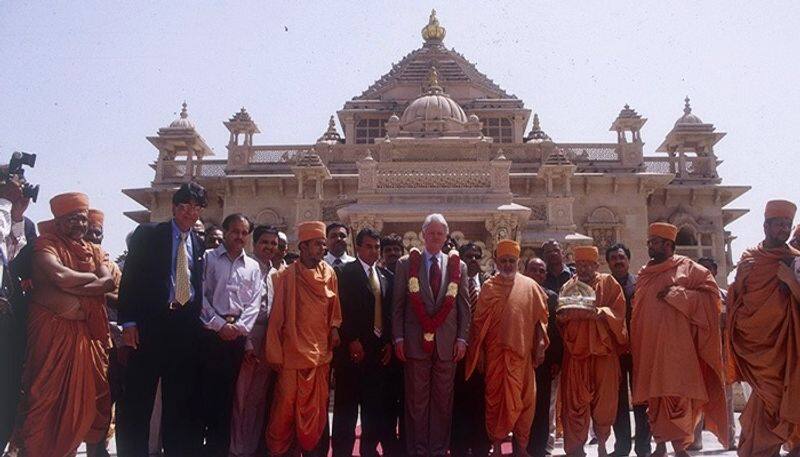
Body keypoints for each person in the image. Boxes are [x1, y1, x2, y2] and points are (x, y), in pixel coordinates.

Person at [14, 192, 115, 457]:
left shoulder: (94, 250)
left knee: (81, 405)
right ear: (57, 221)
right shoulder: (45, 245)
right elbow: (59, 275)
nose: (80, 225)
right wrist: (91, 285)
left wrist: (74, 288)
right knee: (44, 399)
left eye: (82, 219)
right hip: (50, 339)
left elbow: (109, 282)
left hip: (83, 339)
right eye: (72, 219)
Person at [116, 182, 208, 456]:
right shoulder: (149, 234)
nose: (190, 212)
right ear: (174, 207)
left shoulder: (198, 242)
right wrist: (129, 322)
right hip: (150, 326)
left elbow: (195, 285)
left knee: (178, 400)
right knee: (138, 397)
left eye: (196, 207)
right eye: (185, 206)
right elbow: (130, 279)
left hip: (183, 329)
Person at [632, 223, 728, 457]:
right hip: (651, 349)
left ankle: (679, 447)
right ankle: (661, 445)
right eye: (649, 242)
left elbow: (712, 300)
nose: (650, 247)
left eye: (654, 242)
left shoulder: (689, 269)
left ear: (668, 245)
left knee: (678, 396)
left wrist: (679, 295)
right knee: (655, 399)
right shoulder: (645, 274)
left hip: (679, 350)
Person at [391, 213, 470, 457]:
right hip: (415, 344)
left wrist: (462, 339)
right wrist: (399, 338)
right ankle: (417, 449)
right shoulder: (406, 264)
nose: (435, 237)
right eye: (431, 232)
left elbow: (463, 307)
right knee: (416, 401)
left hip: (447, 346)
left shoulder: (458, 265)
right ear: (423, 234)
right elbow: (398, 306)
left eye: (440, 233)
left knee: (442, 402)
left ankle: (437, 449)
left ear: (446, 236)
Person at [728, 200, 800, 457]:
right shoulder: (749, 258)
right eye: (779, 224)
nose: (783, 228)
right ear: (765, 226)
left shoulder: (795, 261)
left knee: (783, 399)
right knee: (763, 397)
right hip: (754, 347)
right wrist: (741, 281)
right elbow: (735, 299)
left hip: (785, 348)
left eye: (787, 225)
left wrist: (791, 282)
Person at [265, 220, 342, 456]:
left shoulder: (329, 273)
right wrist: (275, 353)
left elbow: (334, 311)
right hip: (291, 355)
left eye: (323, 244)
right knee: (285, 409)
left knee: (316, 411)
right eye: (317, 244)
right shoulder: (286, 276)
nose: (323, 248)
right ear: (303, 246)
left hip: (320, 356)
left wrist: (335, 329)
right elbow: (277, 318)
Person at [465, 240, 549, 456]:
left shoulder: (530, 287)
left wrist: (540, 343)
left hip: (522, 357)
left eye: (512, 261)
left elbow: (541, 319)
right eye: (503, 261)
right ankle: (496, 447)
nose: (508, 265)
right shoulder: (489, 287)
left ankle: (521, 448)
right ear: (495, 262)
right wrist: (480, 352)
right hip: (495, 357)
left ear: (518, 262)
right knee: (495, 403)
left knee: (524, 404)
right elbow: (478, 324)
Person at [197, 213, 263, 456]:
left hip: (236, 339)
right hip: (210, 337)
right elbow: (200, 295)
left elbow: (254, 303)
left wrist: (238, 328)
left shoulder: (253, 267)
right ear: (225, 232)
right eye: (235, 231)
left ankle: (219, 450)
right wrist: (218, 324)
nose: (239, 237)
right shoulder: (208, 259)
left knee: (228, 400)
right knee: (205, 395)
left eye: (244, 233)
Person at [332, 228, 396, 457]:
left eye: (377, 247)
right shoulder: (343, 272)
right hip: (351, 355)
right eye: (368, 246)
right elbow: (340, 310)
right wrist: (351, 340)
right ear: (357, 247)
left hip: (377, 356)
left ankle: (368, 451)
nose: (374, 251)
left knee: (373, 411)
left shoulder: (386, 276)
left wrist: (388, 342)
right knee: (346, 412)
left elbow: (389, 314)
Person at [557, 246, 627, 457]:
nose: (584, 269)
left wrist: (601, 313)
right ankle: (576, 448)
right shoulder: (569, 286)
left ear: (597, 265)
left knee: (605, 403)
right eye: (580, 265)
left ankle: (603, 444)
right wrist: (564, 316)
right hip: (576, 353)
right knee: (574, 404)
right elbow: (560, 318)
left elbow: (618, 312)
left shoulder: (608, 283)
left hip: (603, 353)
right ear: (575, 266)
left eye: (588, 265)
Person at [230, 224, 278, 457]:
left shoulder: (274, 272)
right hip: (248, 335)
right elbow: (240, 307)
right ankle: (237, 449)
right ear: (255, 244)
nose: (269, 247)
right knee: (242, 397)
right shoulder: (246, 268)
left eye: (273, 243)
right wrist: (247, 342)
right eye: (265, 242)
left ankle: (250, 448)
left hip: (267, 337)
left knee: (258, 397)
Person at [606, 243, 651, 457]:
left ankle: (643, 447)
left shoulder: (641, 285)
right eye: (613, 258)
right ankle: (622, 447)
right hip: (614, 352)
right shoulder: (604, 287)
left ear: (628, 260)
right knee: (618, 402)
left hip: (638, 351)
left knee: (643, 400)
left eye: (621, 257)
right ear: (608, 263)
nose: (618, 261)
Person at [451, 242, 490, 457]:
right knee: (459, 402)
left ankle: (481, 447)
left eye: (477, 256)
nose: (473, 260)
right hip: (458, 355)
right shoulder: (452, 283)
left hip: (484, 357)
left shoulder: (490, 284)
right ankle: (459, 448)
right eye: (469, 256)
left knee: (481, 403)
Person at [0, 179, 30, 452]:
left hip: (9, 323)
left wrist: (17, 214)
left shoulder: (15, 221)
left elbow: (15, 258)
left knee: (7, 397)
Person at [524, 257, 563, 457]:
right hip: (521, 360)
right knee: (521, 405)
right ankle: (521, 445)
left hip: (544, 362)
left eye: (541, 271)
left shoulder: (552, 298)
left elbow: (556, 332)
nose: (537, 274)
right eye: (533, 270)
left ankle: (539, 448)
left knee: (542, 405)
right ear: (525, 271)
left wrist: (556, 360)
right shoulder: (517, 294)